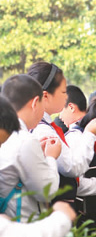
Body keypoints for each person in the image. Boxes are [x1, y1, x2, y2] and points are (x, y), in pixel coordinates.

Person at [28, 62, 96, 207]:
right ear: (45, 96)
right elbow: (72, 167)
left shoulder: (42, 126)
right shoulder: (44, 131)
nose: (66, 98)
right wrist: (89, 133)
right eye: (63, 92)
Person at [0, 75, 61, 221]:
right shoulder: (25, 140)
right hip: (21, 224)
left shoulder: (10, 136)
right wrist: (51, 157)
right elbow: (47, 191)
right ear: (35, 103)